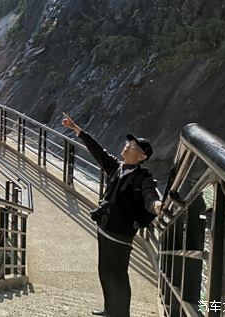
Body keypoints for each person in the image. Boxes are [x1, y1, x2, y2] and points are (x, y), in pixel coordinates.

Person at [61, 112, 162, 317]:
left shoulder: (143, 178)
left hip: (121, 234)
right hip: (105, 228)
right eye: (128, 143)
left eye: (133, 146)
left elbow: (149, 195)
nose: (127, 145)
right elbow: (98, 152)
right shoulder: (118, 167)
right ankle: (109, 309)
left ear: (142, 156)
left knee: (119, 276)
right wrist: (78, 130)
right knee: (104, 272)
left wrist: (157, 206)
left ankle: (121, 313)